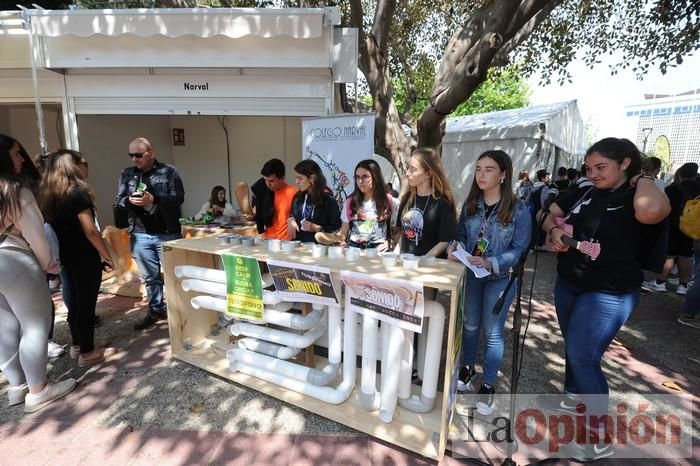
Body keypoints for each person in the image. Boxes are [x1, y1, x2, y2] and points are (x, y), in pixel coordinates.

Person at [541, 137, 670, 461]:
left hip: (610, 291)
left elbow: (652, 210)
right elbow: (547, 214)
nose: (593, 173)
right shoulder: (585, 190)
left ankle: (597, 438)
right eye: (589, 167)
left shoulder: (638, 194)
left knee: (583, 355)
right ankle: (574, 397)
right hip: (570, 281)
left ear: (625, 163)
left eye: (601, 167)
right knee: (573, 345)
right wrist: (555, 233)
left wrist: (642, 177)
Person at [448, 150, 532, 416]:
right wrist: (456, 247)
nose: (481, 175)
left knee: (493, 333)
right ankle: (468, 368)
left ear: (503, 174)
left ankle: (488, 384)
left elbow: (519, 250)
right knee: (470, 325)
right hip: (472, 275)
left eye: (489, 169)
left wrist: (492, 262)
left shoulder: (518, 209)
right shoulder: (471, 204)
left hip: (499, 279)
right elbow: (462, 234)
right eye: (478, 169)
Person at [0, 134, 76, 412]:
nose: (21, 158)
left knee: (5, 326)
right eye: (16, 153)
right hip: (15, 260)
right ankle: (39, 389)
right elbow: (37, 235)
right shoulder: (16, 190)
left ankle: (17, 387)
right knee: (35, 326)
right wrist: (47, 264)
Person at [40, 149, 116, 367]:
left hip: (65, 257)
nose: (87, 166)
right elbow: (90, 230)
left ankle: (78, 345)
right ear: (73, 166)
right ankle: (88, 353)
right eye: (84, 162)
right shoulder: (77, 193)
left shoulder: (51, 196)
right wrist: (107, 255)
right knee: (86, 304)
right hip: (84, 256)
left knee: (74, 303)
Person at [116, 137, 184, 330]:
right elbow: (119, 201)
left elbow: (178, 198)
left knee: (174, 275)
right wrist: (130, 201)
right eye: (131, 155)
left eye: (138, 155)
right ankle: (155, 310)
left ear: (150, 152)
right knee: (150, 278)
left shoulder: (168, 172)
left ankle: (179, 312)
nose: (134, 159)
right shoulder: (127, 174)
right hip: (140, 234)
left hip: (167, 232)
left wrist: (154, 200)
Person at [642, 162, 698, 295]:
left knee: (669, 255)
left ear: (680, 174)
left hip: (673, 225)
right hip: (691, 227)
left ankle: (660, 282)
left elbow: (666, 207)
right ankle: (683, 285)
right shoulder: (698, 189)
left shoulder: (673, 189)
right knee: (686, 255)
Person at [397, 147, 457, 258]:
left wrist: (424, 260)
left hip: (430, 268)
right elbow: (402, 233)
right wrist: (397, 254)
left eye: (413, 169)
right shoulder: (407, 199)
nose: (407, 173)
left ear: (428, 174)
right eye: (408, 168)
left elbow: (444, 241)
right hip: (406, 264)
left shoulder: (442, 203)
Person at [333, 159, 398, 250]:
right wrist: (338, 241)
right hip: (354, 252)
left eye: (365, 177)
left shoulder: (390, 201)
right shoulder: (350, 202)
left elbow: (397, 232)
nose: (360, 181)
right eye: (357, 177)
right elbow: (343, 232)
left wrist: (390, 244)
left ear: (375, 177)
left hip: (378, 254)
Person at [242, 158, 297, 240]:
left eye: (271, 181)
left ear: (282, 178)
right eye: (265, 180)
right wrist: (252, 216)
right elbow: (258, 214)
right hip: (268, 240)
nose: (268, 184)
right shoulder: (263, 191)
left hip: (286, 243)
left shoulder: (294, 193)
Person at [287, 159, 341, 243]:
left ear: (312, 178)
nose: (296, 182)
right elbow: (293, 215)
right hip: (298, 247)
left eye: (300, 179)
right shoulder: (298, 197)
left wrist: (318, 228)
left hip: (319, 250)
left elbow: (337, 228)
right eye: (296, 178)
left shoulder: (328, 200)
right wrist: (291, 220)